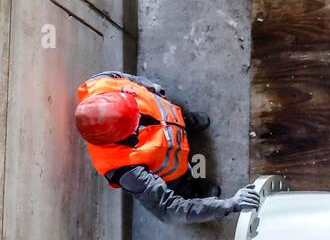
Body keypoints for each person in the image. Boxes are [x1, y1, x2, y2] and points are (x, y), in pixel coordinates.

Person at [74, 72, 260, 224]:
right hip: (173, 172)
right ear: (120, 139)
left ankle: (184, 122)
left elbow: (129, 79)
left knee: (177, 116)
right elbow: (169, 210)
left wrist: (153, 90)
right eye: (137, 122)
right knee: (180, 189)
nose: (140, 114)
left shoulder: (100, 84)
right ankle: (189, 190)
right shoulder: (123, 168)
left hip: (171, 119)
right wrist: (228, 205)